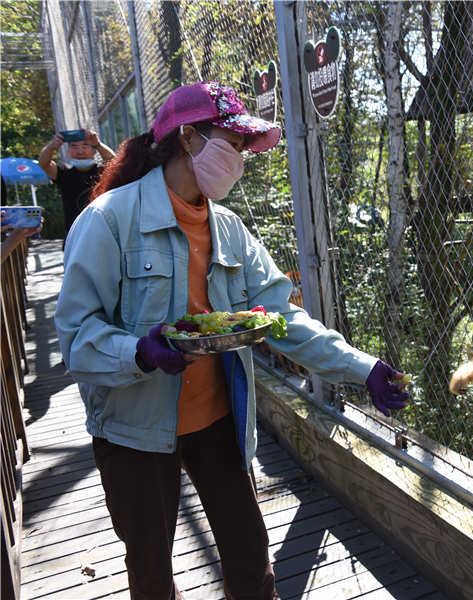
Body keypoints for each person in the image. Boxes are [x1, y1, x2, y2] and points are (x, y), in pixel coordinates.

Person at [54, 81, 409, 600]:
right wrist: (139, 353)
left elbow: (279, 316)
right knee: (149, 567)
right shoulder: (108, 220)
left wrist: (362, 369)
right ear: (189, 138)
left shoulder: (230, 229)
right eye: (234, 144)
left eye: (245, 148)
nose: (241, 159)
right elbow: (77, 336)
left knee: (250, 560)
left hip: (218, 419)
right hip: (134, 429)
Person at [38, 128, 116, 242]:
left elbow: (115, 162)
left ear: (94, 151)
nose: (80, 151)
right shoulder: (63, 173)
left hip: (103, 235)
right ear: (68, 151)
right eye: (74, 146)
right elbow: (43, 164)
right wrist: (52, 146)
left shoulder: (102, 172)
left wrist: (98, 144)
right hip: (74, 237)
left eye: (85, 146)